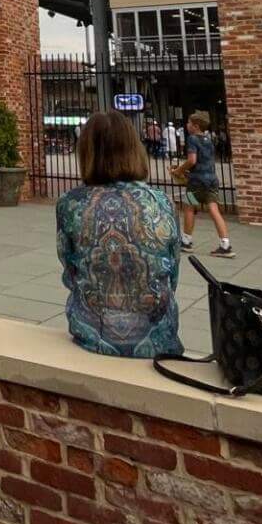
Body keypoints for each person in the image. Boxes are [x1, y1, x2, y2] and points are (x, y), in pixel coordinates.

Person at [56, 112, 181, 358]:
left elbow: (70, 270)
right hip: (157, 338)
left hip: (92, 335)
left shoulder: (71, 203)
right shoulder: (162, 202)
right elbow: (171, 273)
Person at [176, 111, 233, 258]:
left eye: (189, 123)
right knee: (214, 210)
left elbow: (192, 160)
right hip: (211, 179)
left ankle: (186, 241)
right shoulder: (208, 140)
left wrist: (179, 170)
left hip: (196, 181)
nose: (187, 125)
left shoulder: (193, 139)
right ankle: (225, 244)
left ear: (195, 126)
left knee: (189, 207)